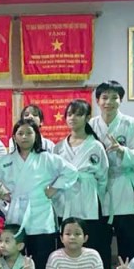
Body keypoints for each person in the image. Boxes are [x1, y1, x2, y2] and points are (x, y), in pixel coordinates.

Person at [0, 118, 76, 269]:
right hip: (16, 214)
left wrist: (54, 189)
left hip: (40, 214)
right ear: (14, 137)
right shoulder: (6, 160)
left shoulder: (47, 158)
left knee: (42, 259)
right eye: (20, 133)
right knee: (14, 257)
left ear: (36, 135)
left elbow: (71, 172)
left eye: (29, 133)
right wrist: (2, 192)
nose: (24, 137)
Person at [89, 81, 134, 269]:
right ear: (97, 101)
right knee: (99, 244)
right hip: (100, 188)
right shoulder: (91, 125)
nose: (109, 102)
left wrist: (122, 151)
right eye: (104, 97)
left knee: (130, 243)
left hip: (124, 187)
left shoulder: (129, 123)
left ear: (120, 100)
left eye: (114, 97)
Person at [53, 98, 109, 260]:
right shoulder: (59, 147)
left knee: (91, 244)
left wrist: (96, 197)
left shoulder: (96, 145)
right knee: (65, 245)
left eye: (78, 114)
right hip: (65, 199)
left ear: (87, 117)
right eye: (70, 114)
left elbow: (103, 177)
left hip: (88, 198)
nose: (73, 118)